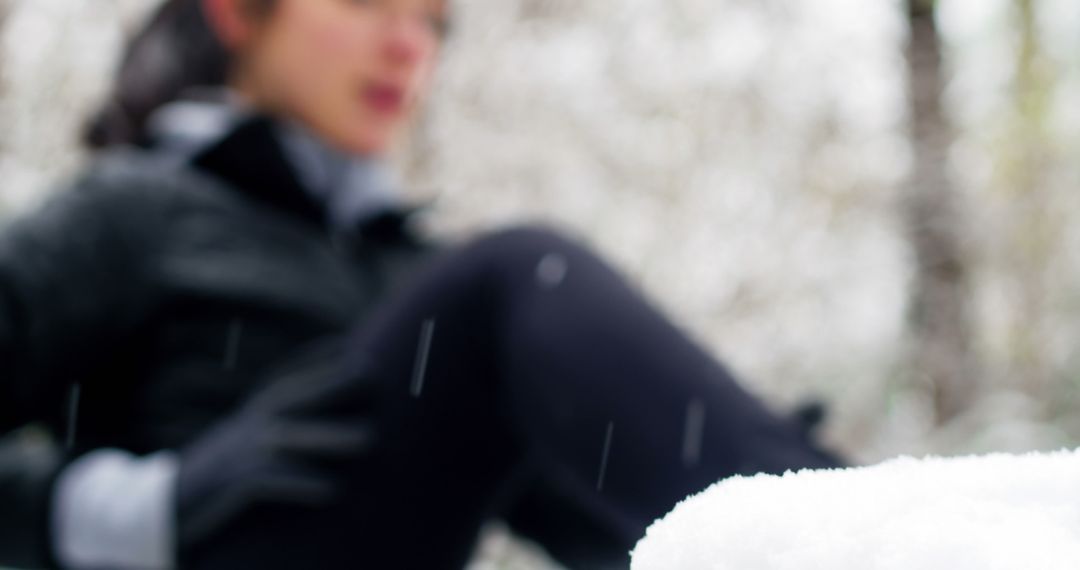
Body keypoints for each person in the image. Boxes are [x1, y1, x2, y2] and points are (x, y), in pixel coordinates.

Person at [0, 0, 842, 568]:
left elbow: (586, 511)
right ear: (235, 11)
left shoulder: (407, 272)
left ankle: (844, 527)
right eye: (368, 0)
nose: (408, 44)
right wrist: (139, 509)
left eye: (433, 19)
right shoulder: (131, 208)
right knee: (516, 273)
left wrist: (741, 492)